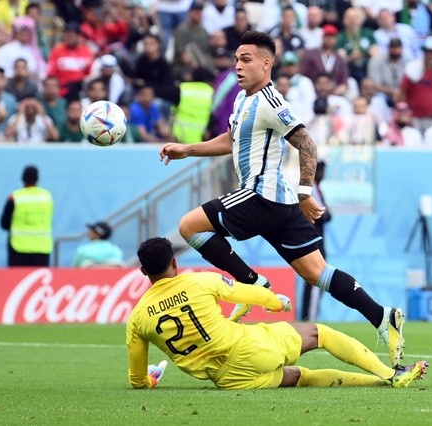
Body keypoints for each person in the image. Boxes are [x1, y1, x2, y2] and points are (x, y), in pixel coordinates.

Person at [159, 31, 406, 367]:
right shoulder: (242, 99)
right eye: (236, 60)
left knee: (190, 226)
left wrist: (306, 192)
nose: (238, 66)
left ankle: (252, 283)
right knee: (317, 272)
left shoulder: (272, 102)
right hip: (278, 203)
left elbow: (307, 144)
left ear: (266, 63)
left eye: (246, 60)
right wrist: (187, 149)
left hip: (261, 195)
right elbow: (231, 140)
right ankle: (382, 316)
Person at [126, 237, 427, 389]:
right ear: (174, 264)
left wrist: (149, 380)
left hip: (228, 380)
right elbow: (249, 291)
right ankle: (390, 374)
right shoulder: (199, 280)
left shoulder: (138, 318)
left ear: (143, 271)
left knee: (301, 377)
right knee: (319, 333)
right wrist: (275, 302)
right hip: (247, 349)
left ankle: (378, 383)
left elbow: (137, 379)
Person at [0, 165, 53, 267]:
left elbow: (4, 224)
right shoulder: (47, 197)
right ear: (38, 179)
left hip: (19, 248)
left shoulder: (15, 197)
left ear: (22, 178)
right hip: (42, 248)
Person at [300, 160, 330, 321]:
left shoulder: (317, 189)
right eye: (320, 169)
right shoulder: (309, 190)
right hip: (314, 242)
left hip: (317, 242)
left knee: (316, 283)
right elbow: (322, 215)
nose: (322, 173)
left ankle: (309, 316)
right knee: (316, 281)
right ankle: (309, 318)